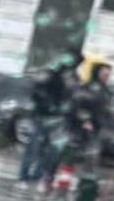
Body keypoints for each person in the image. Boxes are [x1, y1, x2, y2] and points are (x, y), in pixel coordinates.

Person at [18, 53, 80, 185]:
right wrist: (49, 105)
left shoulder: (73, 80)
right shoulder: (51, 76)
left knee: (51, 152)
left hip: (58, 120)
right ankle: (25, 176)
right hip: (42, 117)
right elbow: (37, 93)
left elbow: (74, 99)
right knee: (34, 148)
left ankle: (37, 176)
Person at [65, 62, 114, 174]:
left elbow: (106, 108)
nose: (107, 77)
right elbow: (78, 105)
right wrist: (85, 121)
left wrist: (107, 117)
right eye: (105, 74)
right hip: (81, 128)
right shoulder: (88, 88)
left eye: (108, 75)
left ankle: (84, 184)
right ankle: (63, 183)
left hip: (96, 128)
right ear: (97, 73)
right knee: (72, 158)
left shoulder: (105, 90)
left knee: (91, 158)